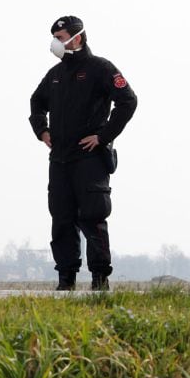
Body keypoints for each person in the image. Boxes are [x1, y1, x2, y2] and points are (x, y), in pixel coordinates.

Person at [29, 16, 138, 290]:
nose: (56, 41)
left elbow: (128, 101)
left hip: (90, 158)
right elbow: (36, 102)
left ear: (77, 37)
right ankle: (66, 280)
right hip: (60, 159)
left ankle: (99, 280)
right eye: (54, 36)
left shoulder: (100, 68)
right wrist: (43, 131)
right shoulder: (55, 75)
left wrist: (103, 137)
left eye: (61, 35)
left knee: (92, 217)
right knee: (62, 219)